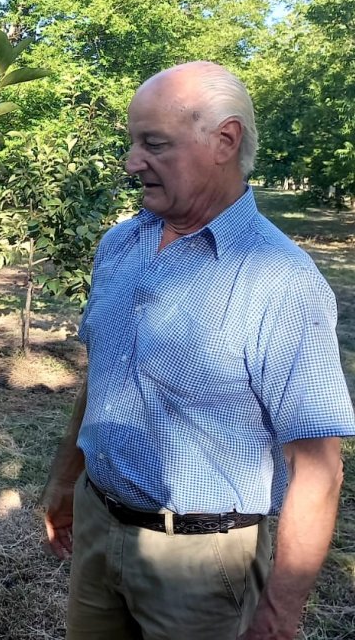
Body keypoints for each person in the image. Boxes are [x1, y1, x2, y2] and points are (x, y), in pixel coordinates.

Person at [42, 61, 355, 640]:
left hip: (203, 564)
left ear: (225, 140)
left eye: (153, 144)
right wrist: (67, 479)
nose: (132, 161)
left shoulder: (279, 280)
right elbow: (105, 371)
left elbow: (318, 467)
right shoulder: (120, 242)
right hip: (97, 521)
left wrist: (278, 615)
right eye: (133, 142)